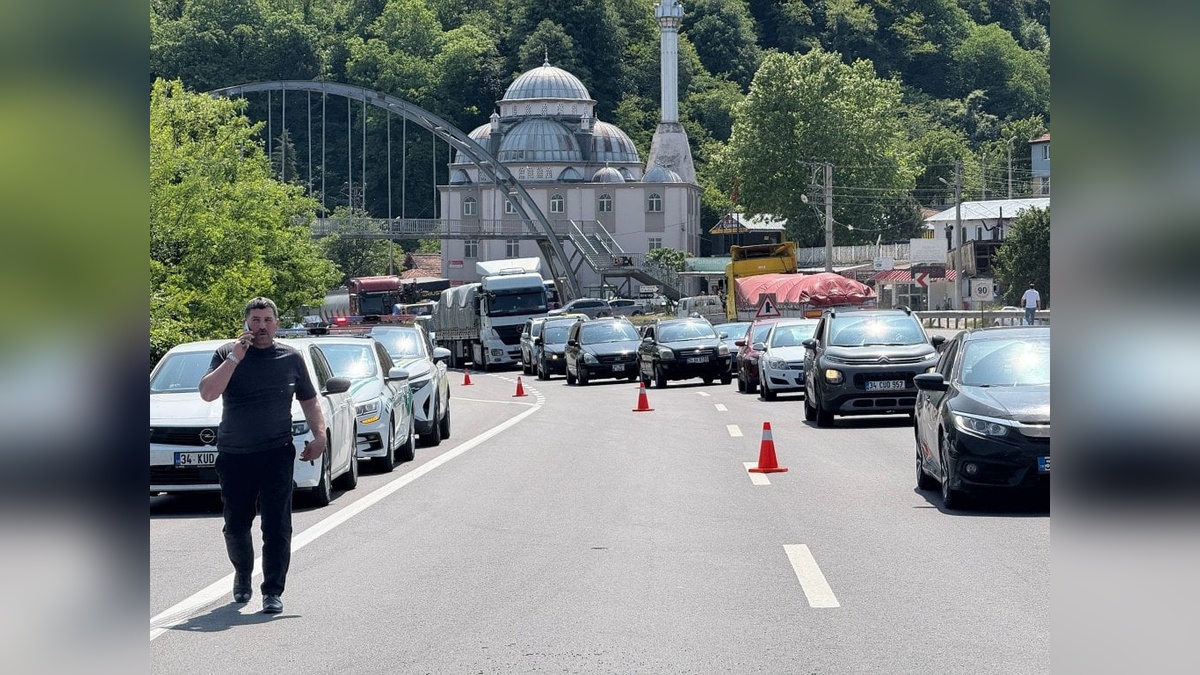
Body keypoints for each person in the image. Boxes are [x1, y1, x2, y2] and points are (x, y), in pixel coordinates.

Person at [198, 297, 327, 615]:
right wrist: (235, 358)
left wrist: (320, 436)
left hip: (276, 453)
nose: (261, 327)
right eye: (255, 320)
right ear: (246, 323)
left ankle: (272, 591)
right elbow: (208, 393)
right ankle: (243, 573)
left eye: (267, 320)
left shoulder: (291, 357)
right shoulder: (226, 353)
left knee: (277, 526)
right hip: (235, 455)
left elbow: (310, 401)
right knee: (236, 526)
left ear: (277, 324)